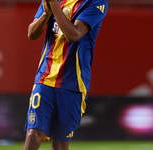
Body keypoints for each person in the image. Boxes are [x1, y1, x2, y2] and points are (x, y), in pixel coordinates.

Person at [23, 0, 108, 149]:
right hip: (45, 77)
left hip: (73, 84)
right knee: (33, 133)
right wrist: (46, 14)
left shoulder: (96, 2)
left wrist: (54, 6)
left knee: (60, 146)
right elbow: (31, 34)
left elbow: (74, 35)